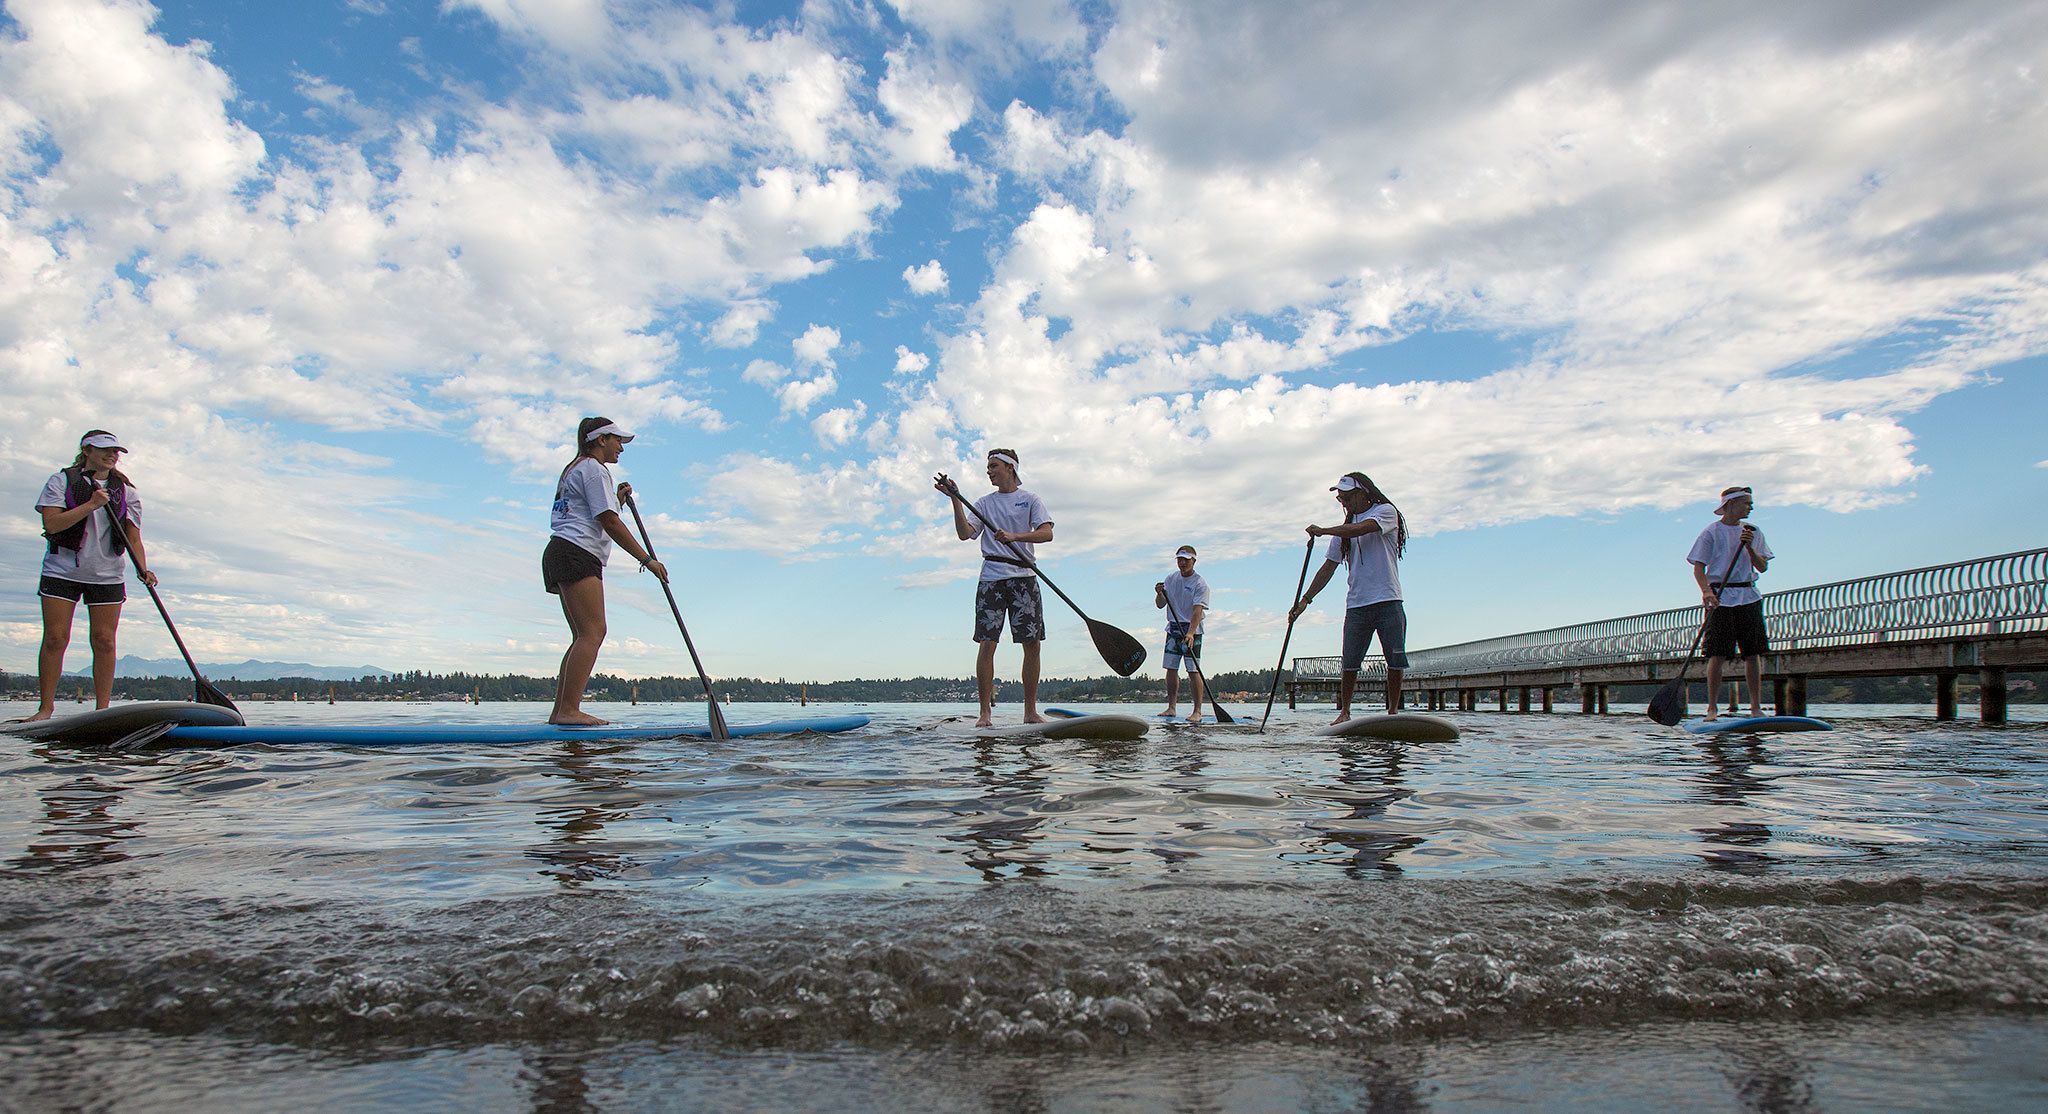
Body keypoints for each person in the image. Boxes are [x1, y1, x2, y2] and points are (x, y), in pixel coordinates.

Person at [544, 417, 667, 726]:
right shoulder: (595, 470)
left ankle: (561, 712)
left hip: (562, 551)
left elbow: (589, 510)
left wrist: (617, 500)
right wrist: (647, 559)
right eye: (617, 441)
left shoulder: (576, 468)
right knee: (593, 633)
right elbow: (608, 522)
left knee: (581, 636)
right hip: (577, 553)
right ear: (600, 440)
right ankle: (568, 710)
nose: (620, 449)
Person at [29, 430, 156, 721]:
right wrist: (90, 505)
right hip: (62, 570)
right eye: (105, 450)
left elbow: (134, 538)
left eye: (116, 451)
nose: (113, 455)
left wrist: (143, 568)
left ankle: (102, 711)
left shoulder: (127, 492)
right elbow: (52, 523)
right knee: (56, 639)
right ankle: (45, 709)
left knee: (104, 640)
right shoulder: (61, 481)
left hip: (107, 573)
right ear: (87, 450)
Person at [934, 449, 1053, 727]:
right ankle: (985, 714)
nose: (989, 471)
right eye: (988, 467)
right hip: (992, 578)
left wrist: (1015, 535)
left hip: (1024, 575)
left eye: (994, 466)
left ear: (1010, 468)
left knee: (1032, 644)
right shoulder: (984, 503)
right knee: (988, 643)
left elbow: (1047, 533)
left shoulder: (1030, 500)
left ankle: (1030, 712)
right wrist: (955, 500)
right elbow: (966, 534)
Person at [1289, 472, 1409, 722]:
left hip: (1388, 600)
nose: (1343, 503)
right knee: (1350, 662)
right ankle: (1345, 712)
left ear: (1362, 493)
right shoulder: (1343, 532)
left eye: (1346, 497)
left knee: (1395, 659)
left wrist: (1323, 530)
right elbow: (1328, 568)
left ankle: (1393, 711)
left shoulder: (1385, 511)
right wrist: (1304, 601)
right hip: (1357, 605)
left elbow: (1362, 529)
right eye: (1340, 499)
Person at [1687, 486, 1773, 721]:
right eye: (1747, 503)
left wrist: (1748, 546)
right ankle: (1712, 708)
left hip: (1748, 596)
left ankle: (1755, 707)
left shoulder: (1753, 532)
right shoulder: (1711, 532)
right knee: (1718, 654)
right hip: (1721, 597)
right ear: (1731, 504)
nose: (1751, 507)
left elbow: (1763, 566)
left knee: (1752, 653)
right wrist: (1706, 592)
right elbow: (1698, 568)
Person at [1155, 545, 1211, 723]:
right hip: (1173, 628)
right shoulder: (1171, 579)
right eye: (1180, 559)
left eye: (1186, 560)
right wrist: (1159, 593)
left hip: (1192, 628)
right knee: (1171, 668)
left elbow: (1197, 611)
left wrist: (1191, 633)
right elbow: (1160, 604)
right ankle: (1171, 707)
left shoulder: (1200, 583)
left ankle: (1197, 711)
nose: (1182, 563)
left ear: (1194, 561)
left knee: (1193, 670)